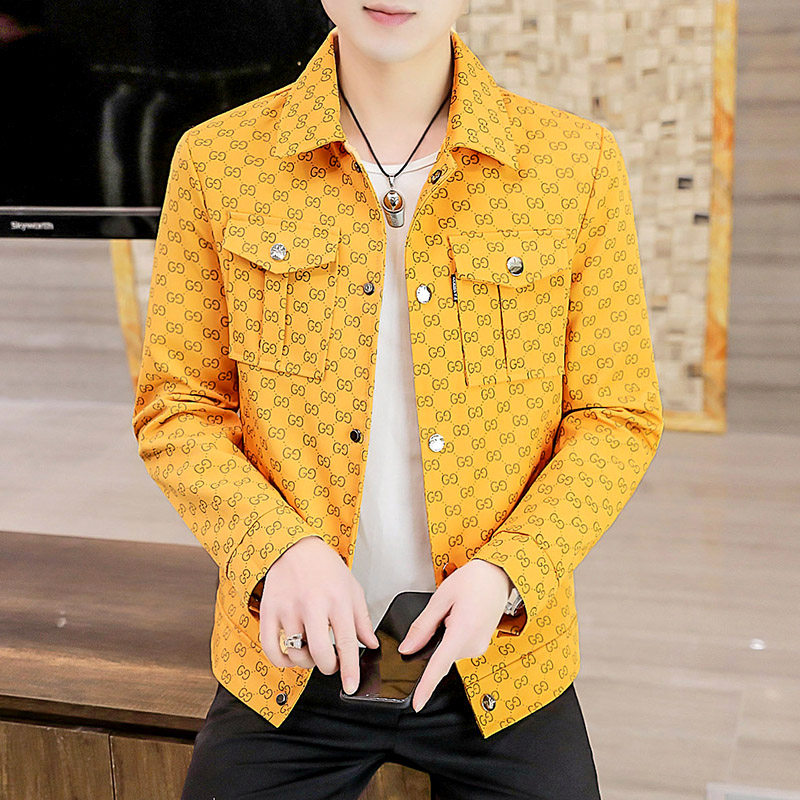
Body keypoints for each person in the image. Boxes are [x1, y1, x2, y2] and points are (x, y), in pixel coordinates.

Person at [132, 1, 664, 797]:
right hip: (290, 663)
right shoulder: (218, 161)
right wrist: (278, 549)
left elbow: (614, 416)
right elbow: (179, 406)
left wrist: (508, 572)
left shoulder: (574, 165)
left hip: (499, 658)